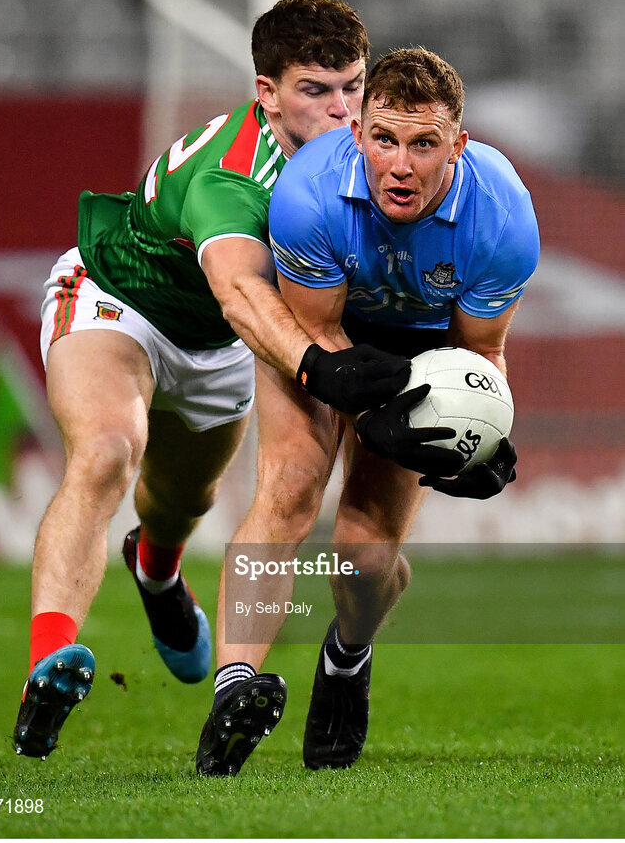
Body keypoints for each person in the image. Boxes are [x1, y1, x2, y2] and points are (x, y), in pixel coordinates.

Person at [12, 0, 415, 760]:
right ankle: (48, 663)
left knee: (180, 503)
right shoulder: (231, 176)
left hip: (223, 347)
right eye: (314, 90)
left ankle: (156, 568)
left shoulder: (374, 146)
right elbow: (239, 292)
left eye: (352, 86)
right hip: (122, 301)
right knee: (105, 453)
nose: (341, 110)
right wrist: (320, 366)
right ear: (266, 94)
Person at [195, 47, 540, 776]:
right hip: (319, 334)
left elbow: (479, 351)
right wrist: (341, 384)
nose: (401, 165)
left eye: (423, 144)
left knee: (363, 552)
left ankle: (347, 656)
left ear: (458, 145)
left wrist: (478, 436)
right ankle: (233, 693)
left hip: (423, 352)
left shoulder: (501, 216)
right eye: (384, 139)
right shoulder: (309, 192)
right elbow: (313, 335)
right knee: (289, 488)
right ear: (358, 135)